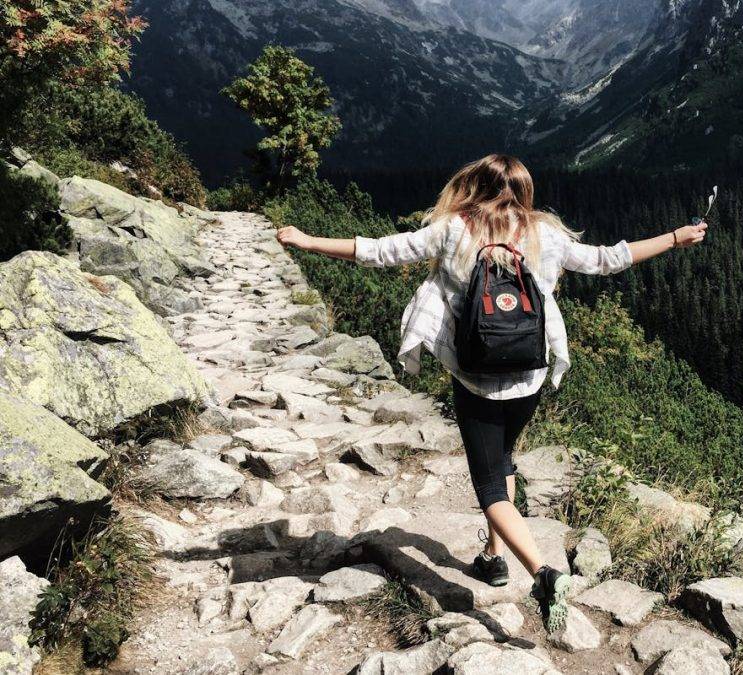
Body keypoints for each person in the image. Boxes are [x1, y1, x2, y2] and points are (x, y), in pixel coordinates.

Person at [276, 154, 707, 632]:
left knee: (488, 484)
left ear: (474, 187)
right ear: (524, 191)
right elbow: (609, 260)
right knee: (504, 460)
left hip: (476, 379)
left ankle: (542, 574)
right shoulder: (546, 234)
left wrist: (307, 240)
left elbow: (381, 250)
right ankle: (492, 556)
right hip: (529, 375)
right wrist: (676, 237)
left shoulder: (452, 229)